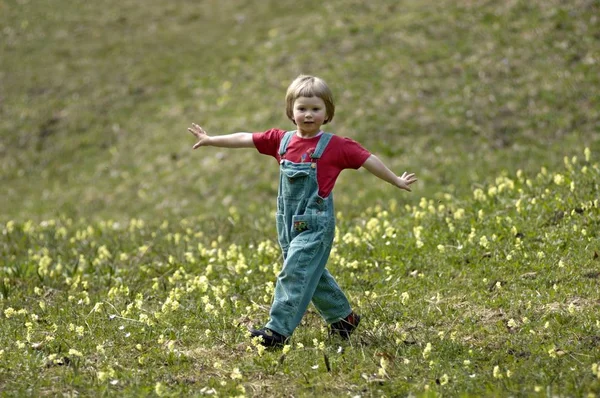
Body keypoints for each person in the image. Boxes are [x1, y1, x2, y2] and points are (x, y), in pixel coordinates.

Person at [187, 75, 417, 347]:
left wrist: (396, 180)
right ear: (291, 112)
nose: (308, 115)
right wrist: (211, 139)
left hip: (316, 224)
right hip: (286, 222)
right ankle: (343, 319)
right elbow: (245, 138)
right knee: (311, 271)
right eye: (302, 108)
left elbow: (368, 160)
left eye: (316, 109)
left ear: (327, 113)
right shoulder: (279, 141)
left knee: (295, 272)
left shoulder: (336, 146)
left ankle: (277, 331)